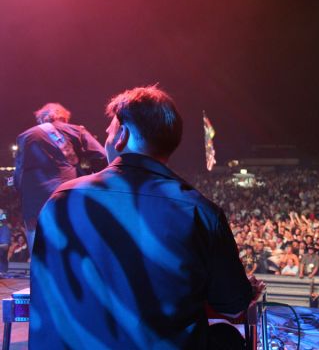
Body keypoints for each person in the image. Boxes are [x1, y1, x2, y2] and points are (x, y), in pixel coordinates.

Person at [30, 86, 261, 349]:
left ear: (122, 136)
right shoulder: (199, 211)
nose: (104, 140)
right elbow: (233, 308)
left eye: (107, 133)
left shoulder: (61, 198)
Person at [14, 103, 107, 253]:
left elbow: (18, 174)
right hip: (66, 193)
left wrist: (24, 198)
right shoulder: (76, 130)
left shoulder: (24, 137)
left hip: (33, 201)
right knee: (71, 247)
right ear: (64, 118)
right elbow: (101, 156)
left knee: (38, 252)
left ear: (41, 120)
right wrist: (91, 178)